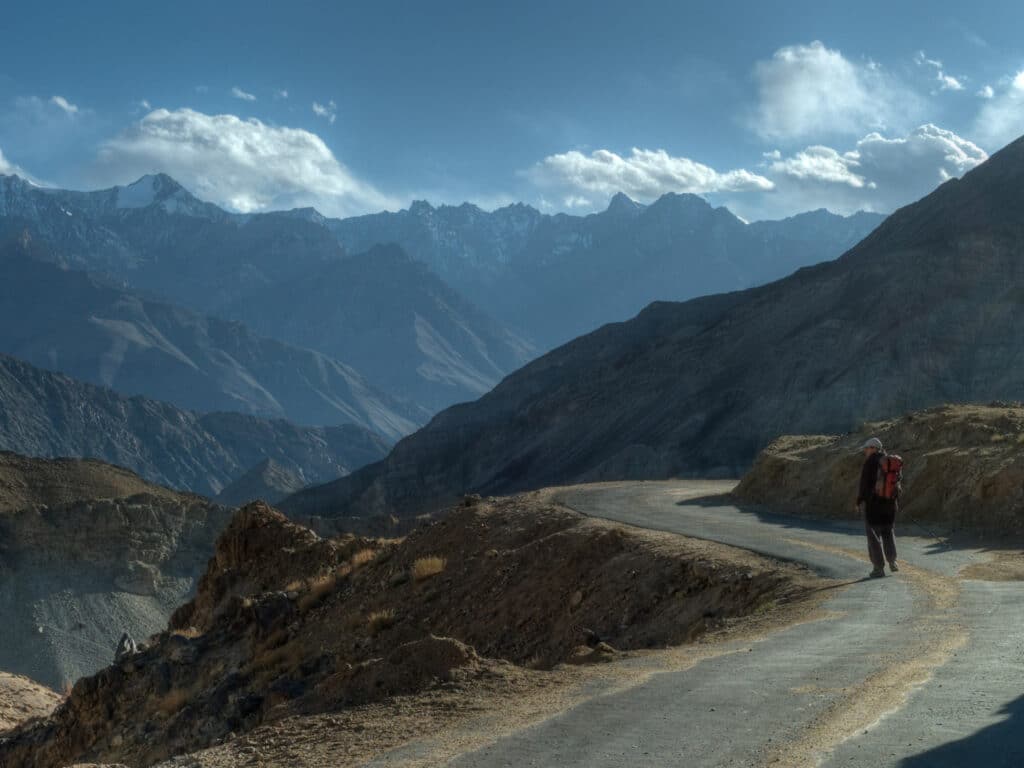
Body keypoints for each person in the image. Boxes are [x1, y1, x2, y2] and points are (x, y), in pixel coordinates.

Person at [856, 437, 898, 578]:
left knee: (873, 536)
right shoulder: (890, 462)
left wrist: (859, 501)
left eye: (867, 448)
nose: (865, 450)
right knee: (888, 532)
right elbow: (897, 483)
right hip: (889, 505)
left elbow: (863, 484)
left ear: (873, 448)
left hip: (872, 506)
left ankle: (878, 568)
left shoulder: (870, 462)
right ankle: (892, 561)